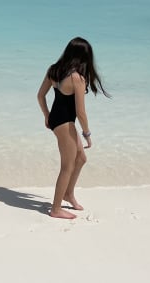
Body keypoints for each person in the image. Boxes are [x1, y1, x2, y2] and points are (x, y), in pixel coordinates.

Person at [35, 37, 108, 220]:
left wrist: (47, 116)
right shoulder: (77, 78)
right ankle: (56, 208)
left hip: (57, 120)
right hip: (65, 123)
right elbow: (81, 112)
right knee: (67, 166)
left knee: (81, 158)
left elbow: (40, 96)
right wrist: (87, 134)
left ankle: (68, 194)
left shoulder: (54, 70)